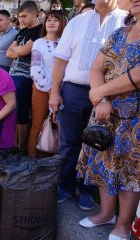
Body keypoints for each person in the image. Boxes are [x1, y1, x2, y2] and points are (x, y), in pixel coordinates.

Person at [48, 0, 128, 210]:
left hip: (110, 95)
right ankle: (65, 186)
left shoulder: (126, 20)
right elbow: (60, 61)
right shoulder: (78, 21)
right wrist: (55, 93)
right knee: (68, 144)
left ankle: (86, 190)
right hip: (73, 90)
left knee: (97, 144)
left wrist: (105, 97)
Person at [77, 6, 140, 240]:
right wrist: (102, 99)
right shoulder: (119, 33)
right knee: (103, 161)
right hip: (105, 114)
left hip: (136, 117)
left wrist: (101, 91)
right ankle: (105, 214)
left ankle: (123, 224)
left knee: (130, 170)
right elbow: (96, 68)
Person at [28, 10, 66, 157]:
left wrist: (59, 89)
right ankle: (32, 162)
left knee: (58, 127)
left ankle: (54, 164)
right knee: (38, 126)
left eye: (55, 20)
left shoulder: (65, 42)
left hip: (64, 90)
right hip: (42, 89)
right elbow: (35, 69)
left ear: (62, 23)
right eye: (48, 20)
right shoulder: (39, 43)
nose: (51, 22)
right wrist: (50, 89)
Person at [6, 0, 42, 151]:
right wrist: (17, 49)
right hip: (12, 75)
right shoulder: (22, 31)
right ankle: (14, 145)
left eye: (23, 16)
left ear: (34, 13)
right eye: (19, 17)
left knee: (22, 112)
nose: (20, 19)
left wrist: (16, 48)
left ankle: (21, 148)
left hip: (24, 77)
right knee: (12, 111)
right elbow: (9, 53)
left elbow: (23, 52)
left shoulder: (39, 30)